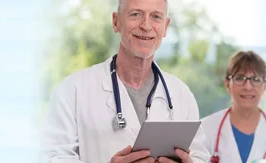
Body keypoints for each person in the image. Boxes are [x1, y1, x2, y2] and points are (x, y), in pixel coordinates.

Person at [40, 0, 209, 162]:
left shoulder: (181, 94)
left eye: (156, 17)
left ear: (165, 27)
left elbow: (200, 156)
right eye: (136, 14)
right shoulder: (72, 90)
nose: (146, 26)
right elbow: (53, 157)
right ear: (116, 22)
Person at [201, 51, 266, 163]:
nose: (247, 87)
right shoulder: (205, 129)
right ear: (227, 84)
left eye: (256, 79)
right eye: (239, 78)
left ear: (264, 86)